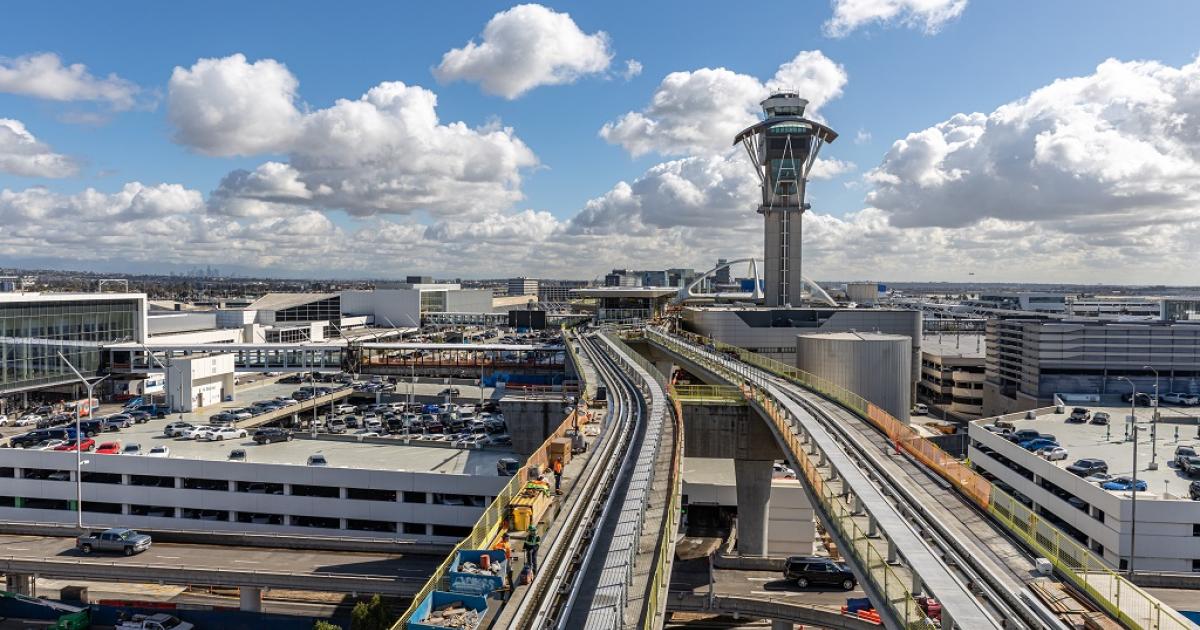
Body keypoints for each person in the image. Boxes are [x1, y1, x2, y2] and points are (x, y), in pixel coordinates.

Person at [493, 533, 514, 599]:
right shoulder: (501, 543)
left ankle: (511, 588)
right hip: (504, 561)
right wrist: (501, 549)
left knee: (510, 575)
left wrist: (510, 551)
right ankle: (503, 594)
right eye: (507, 538)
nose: (508, 539)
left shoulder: (508, 543)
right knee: (504, 576)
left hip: (509, 560)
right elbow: (495, 547)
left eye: (509, 538)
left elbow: (508, 550)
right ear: (504, 538)